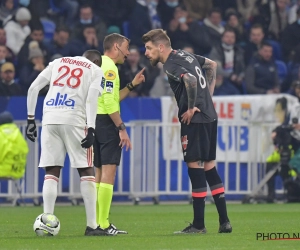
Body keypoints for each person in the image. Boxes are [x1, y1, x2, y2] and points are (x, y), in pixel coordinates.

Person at [142, 29, 232, 234]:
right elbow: (212, 65)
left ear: (161, 47)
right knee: (209, 166)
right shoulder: (185, 54)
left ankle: (199, 225)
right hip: (210, 114)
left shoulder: (171, 64)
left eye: (149, 48)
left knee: (195, 167)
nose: (146, 52)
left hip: (195, 118)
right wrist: (207, 97)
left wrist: (191, 107)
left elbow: (190, 80)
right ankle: (224, 221)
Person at [25, 50, 110, 236]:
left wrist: (30, 120)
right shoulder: (96, 70)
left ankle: (47, 220)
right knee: (86, 169)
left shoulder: (58, 61)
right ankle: (92, 226)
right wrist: (92, 127)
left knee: (51, 171)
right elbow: (91, 98)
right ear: (97, 61)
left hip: (49, 118)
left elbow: (33, 88)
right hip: (74, 119)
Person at [94, 33, 145, 235]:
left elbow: (112, 98)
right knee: (108, 173)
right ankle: (104, 224)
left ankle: (96, 223)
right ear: (116, 47)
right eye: (126, 47)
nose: (128, 52)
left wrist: (132, 85)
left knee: (98, 174)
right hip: (107, 123)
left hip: (95, 121)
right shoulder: (110, 69)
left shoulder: (99, 65)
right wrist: (121, 129)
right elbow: (109, 103)